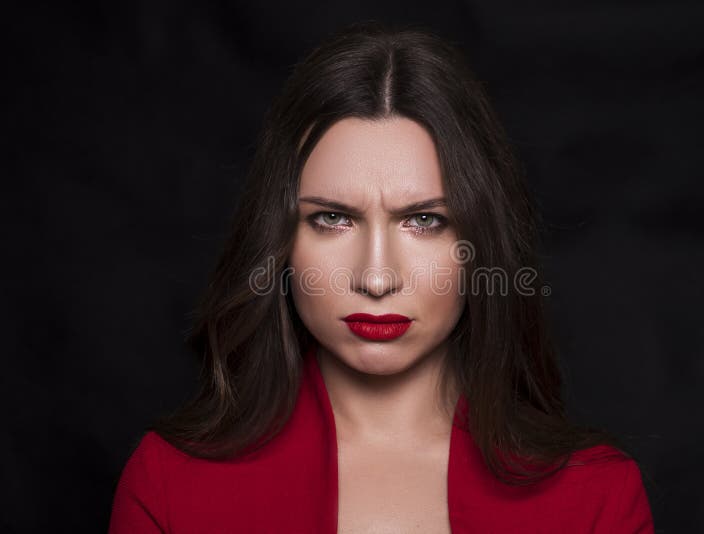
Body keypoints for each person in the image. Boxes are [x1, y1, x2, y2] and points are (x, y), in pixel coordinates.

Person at [109, 20, 655, 533]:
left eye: (424, 220)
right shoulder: (170, 484)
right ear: (278, 243)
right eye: (332, 218)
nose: (376, 278)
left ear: (480, 247)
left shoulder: (595, 498)